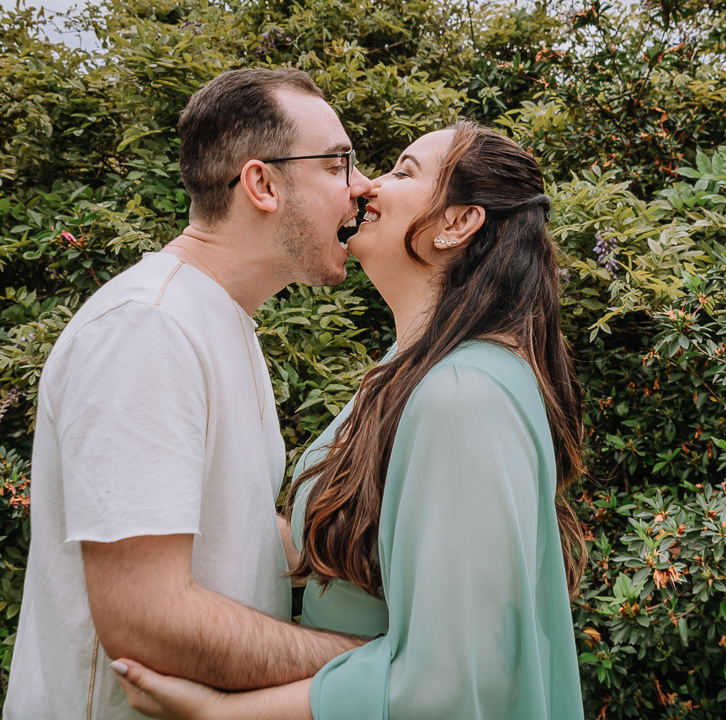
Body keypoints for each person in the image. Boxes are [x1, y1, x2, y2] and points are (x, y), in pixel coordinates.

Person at [109, 121, 589, 719]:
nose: (366, 187)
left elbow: (453, 682)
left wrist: (218, 713)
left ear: (458, 223)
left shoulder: (466, 395)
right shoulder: (408, 371)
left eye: (404, 172)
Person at [3, 68, 374, 720]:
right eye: (339, 162)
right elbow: (149, 621)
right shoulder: (147, 329)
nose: (363, 186)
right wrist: (376, 664)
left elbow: (240, 527)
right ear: (262, 184)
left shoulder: (218, 320)